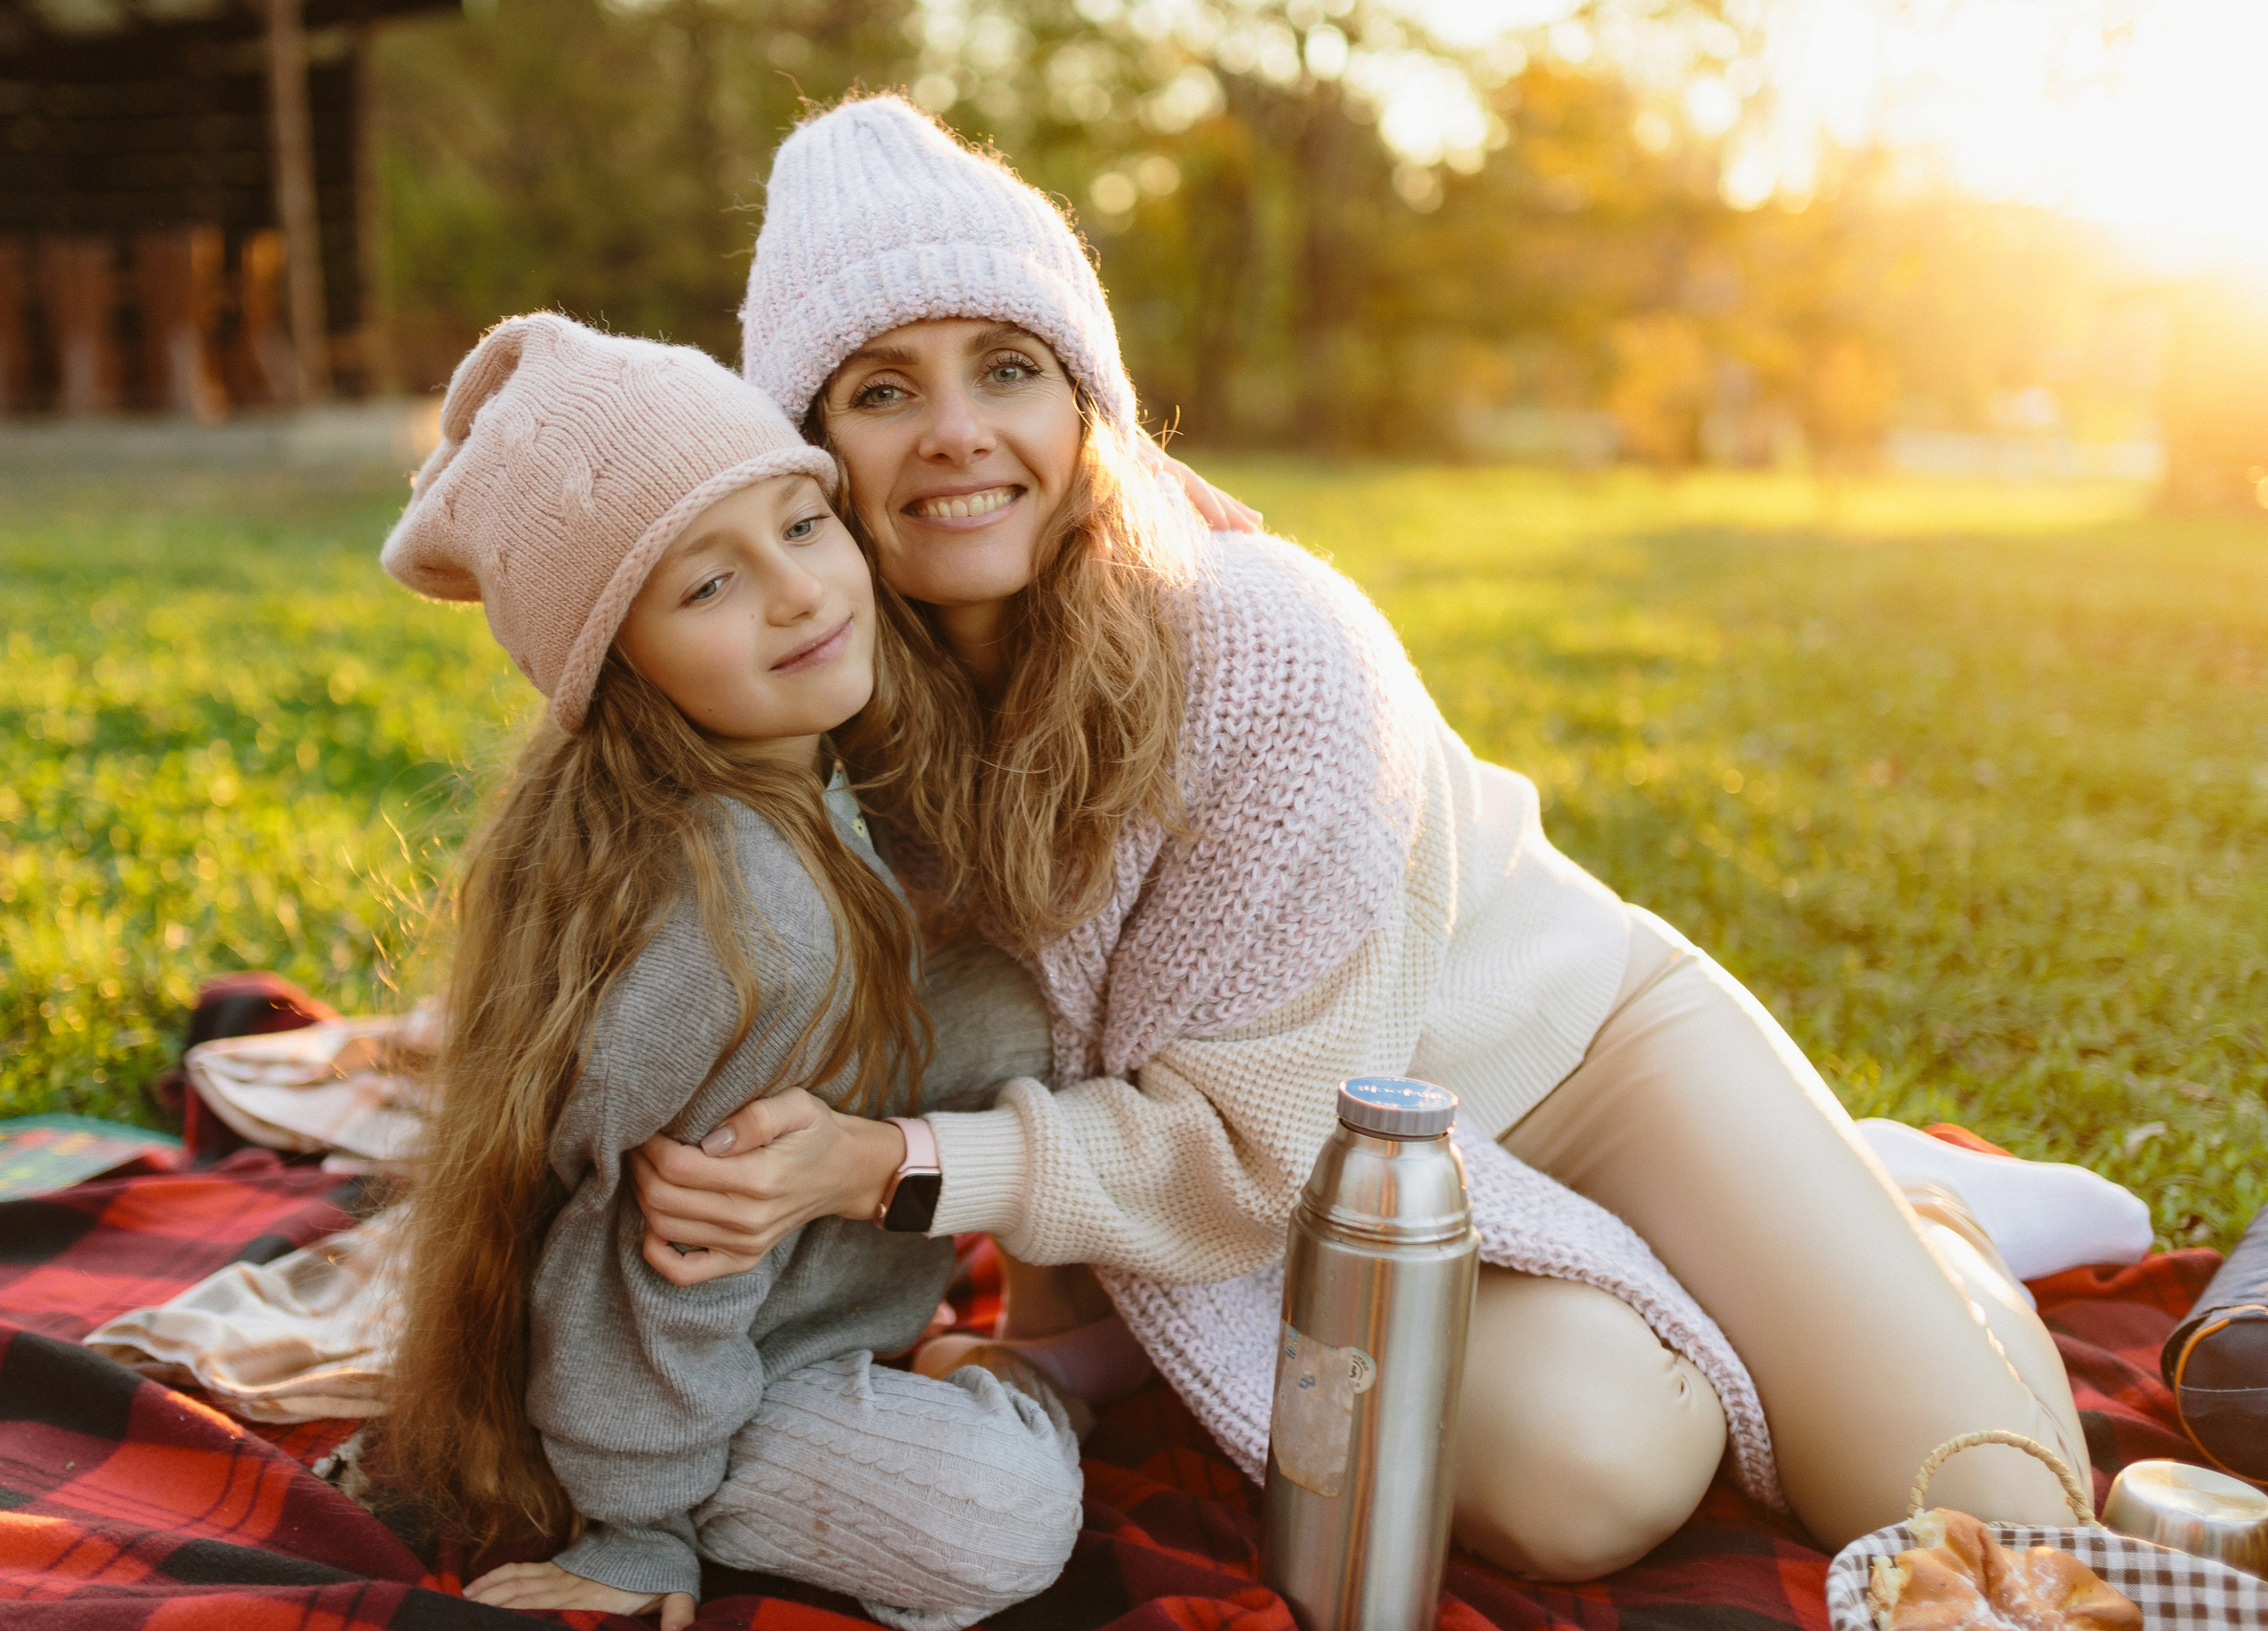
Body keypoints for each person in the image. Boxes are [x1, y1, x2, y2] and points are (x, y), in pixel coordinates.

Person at [629, 96, 2094, 1580]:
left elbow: (1252, 1135)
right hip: (1317, 1195)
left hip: (1575, 1063)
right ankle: (1776, 1278)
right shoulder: (838, 700)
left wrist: (892, 1164)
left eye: (1008, 368)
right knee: (1587, 1475)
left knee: (1999, 1527)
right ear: (806, 453)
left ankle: (1920, 1227)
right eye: (881, 391)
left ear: (1089, 405)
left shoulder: (1265, 641)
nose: (956, 434)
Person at [376, 313, 1082, 1631]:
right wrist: (635, 1524)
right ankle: (1017, 1393)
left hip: (790, 1316)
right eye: (708, 585)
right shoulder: (750, 927)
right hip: (677, 1398)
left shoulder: (794, 780)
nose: (802, 591)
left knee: (994, 996)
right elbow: (642, 1259)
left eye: (802, 527)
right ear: (619, 663)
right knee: (1004, 1513)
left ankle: (944, 1374)